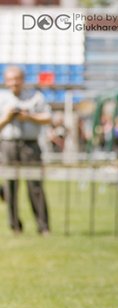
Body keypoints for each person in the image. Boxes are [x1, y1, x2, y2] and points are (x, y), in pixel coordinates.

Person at [0, 65, 51, 235]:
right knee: (10, 187)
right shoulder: (1, 98)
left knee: (35, 185)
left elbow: (47, 118)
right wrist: (7, 118)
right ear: (6, 81)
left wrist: (29, 116)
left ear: (22, 80)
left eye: (17, 79)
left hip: (31, 144)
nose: (14, 83)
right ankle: (15, 226)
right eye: (10, 80)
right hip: (8, 144)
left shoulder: (35, 96)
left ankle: (43, 226)